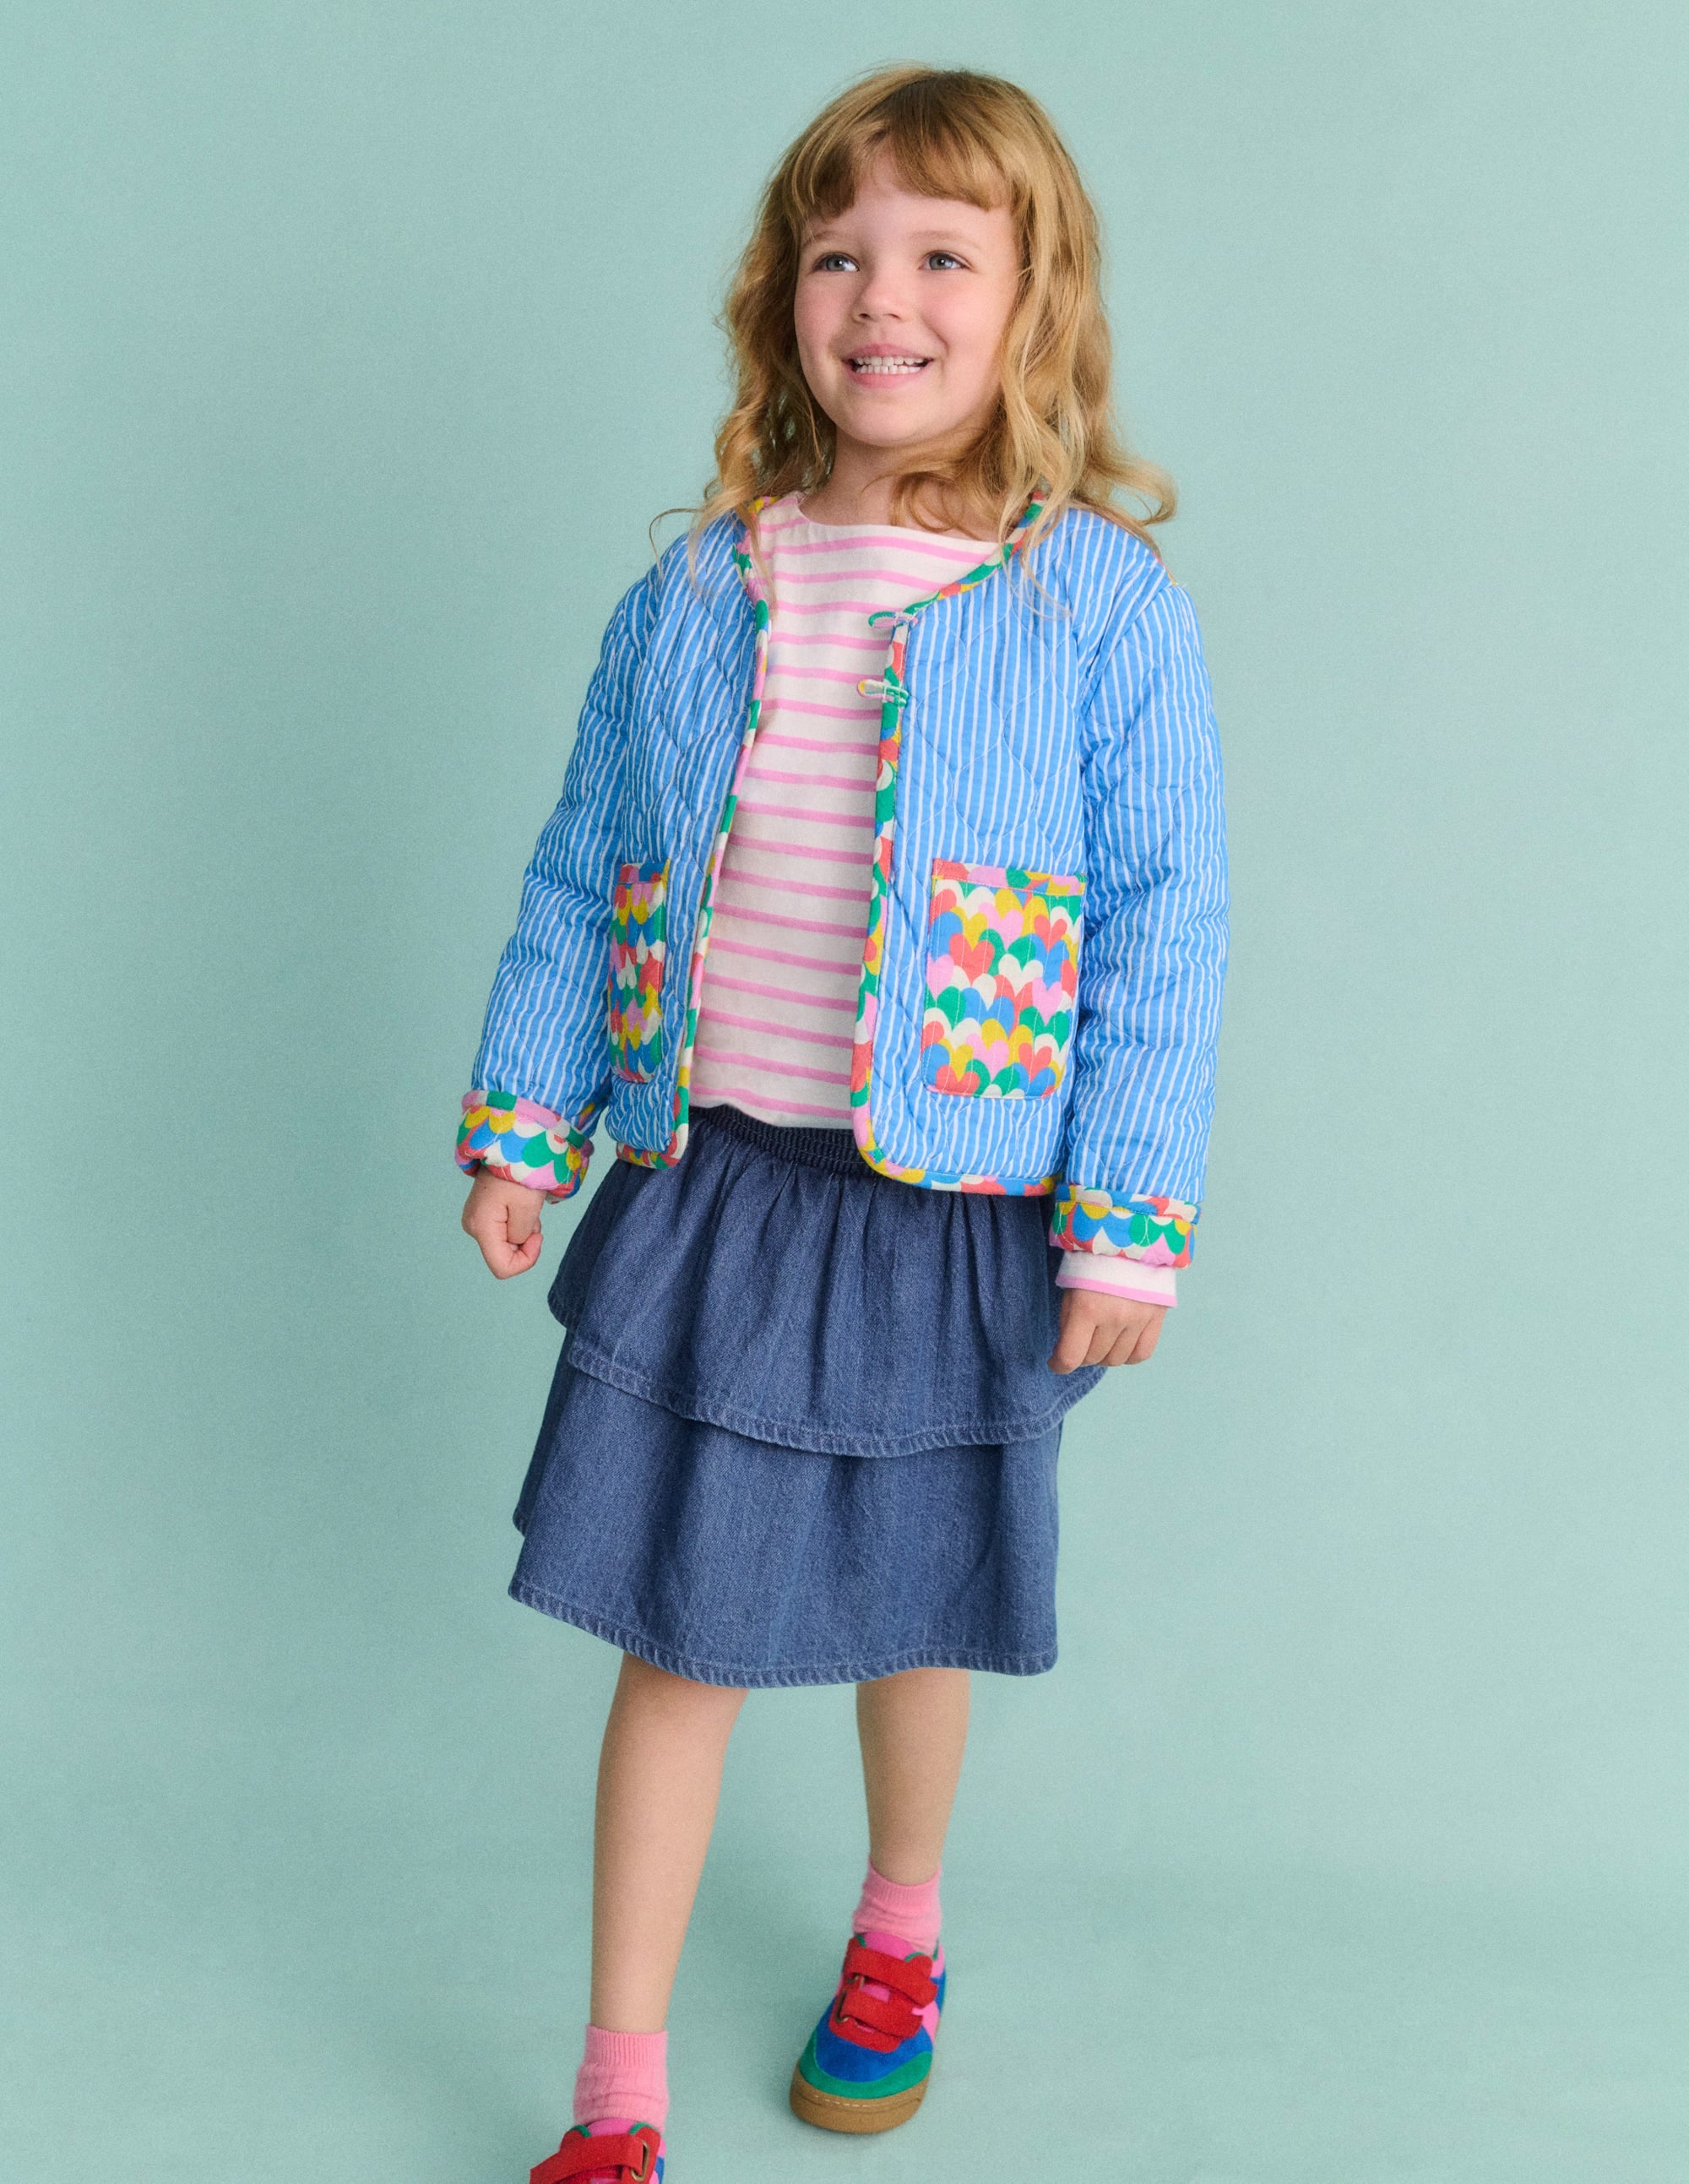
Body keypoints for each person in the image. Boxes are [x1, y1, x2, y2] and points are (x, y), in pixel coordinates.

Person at [455, 62, 1227, 2184]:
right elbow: (584, 864)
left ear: (1031, 299)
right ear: (779, 301)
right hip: (717, 1194)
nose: (882, 297)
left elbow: (1164, 922)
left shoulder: (1098, 608)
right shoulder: (698, 596)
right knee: (671, 1640)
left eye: (942, 255)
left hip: (956, 1206)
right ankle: (614, 2098)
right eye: (837, 254)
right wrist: (525, 1118)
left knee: (913, 1605)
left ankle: (900, 1934)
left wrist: (1125, 1218)